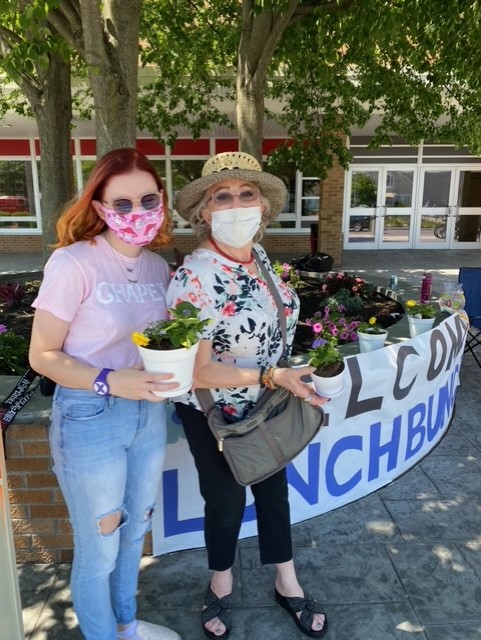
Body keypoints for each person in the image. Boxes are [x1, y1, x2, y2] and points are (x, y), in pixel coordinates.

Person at [167, 151, 329, 639]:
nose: (236, 204)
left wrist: (291, 372)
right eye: (223, 196)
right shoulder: (193, 278)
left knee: (274, 495)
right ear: (203, 213)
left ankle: (287, 581)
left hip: (267, 405)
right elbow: (196, 372)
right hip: (215, 413)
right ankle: (220, 584)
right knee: (225, 502)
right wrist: (272, 376)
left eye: (247, 194)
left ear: (262, 208)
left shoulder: (259, 257)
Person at [29, 148, 181, 640]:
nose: (136, 213)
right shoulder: (74, 263)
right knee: (99, 546)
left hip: (148, 415)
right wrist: (111, 380)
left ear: (161, 201)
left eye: (147, 199)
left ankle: (126, 626)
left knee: (135, 530)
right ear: (98, 207)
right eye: (122, 204)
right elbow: (43, 355)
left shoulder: (159, 269)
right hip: (91, 415)